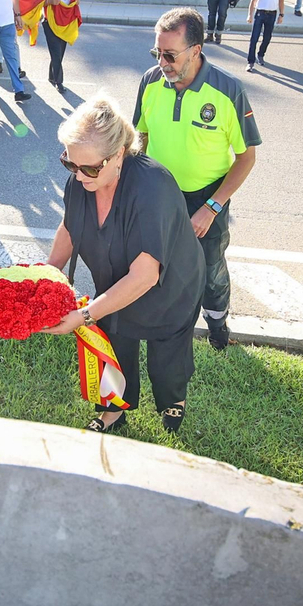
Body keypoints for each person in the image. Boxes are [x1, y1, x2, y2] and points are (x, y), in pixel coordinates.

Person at [44, 95, 206, 433]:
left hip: (168, 288)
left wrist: (84, 316)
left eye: (89, 167)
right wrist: (47, 274)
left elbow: (146, 275)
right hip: (116, 281)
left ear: (118, 154)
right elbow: (70, 225)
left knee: (167, 359)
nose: (79, 175)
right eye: (69, 163)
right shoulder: (81, 179)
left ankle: (173, 400)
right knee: (114, 347)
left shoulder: (152, 188)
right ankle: (114, 410)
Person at [134, 8, 260, 350]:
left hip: (208, 197)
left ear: (196, 51)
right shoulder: (150, 81)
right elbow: (140, 137)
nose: (163, 62)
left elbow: (247, 158)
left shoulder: (228, 91)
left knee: (211, 268)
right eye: (157, 53)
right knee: (156, 262)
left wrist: (212, 207)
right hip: (158, 193)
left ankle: (218, 330)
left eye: (171, 55)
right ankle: (164, 328)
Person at [35, 0, 78, 94]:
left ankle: (51, 76)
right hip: (50, 23)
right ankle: (59, 82)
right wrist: (49, 2)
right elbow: (37, 2)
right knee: (56, 52)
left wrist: (76, 1)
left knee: (59, 52)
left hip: (64, 25)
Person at [245, 0, 285, 71]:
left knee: (267, 37)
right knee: (254, 38)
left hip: (272, 13)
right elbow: (253, 0)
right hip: (260, 12)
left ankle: (261, 54)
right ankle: (250, 61)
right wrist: (250, 15)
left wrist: (281, 15)